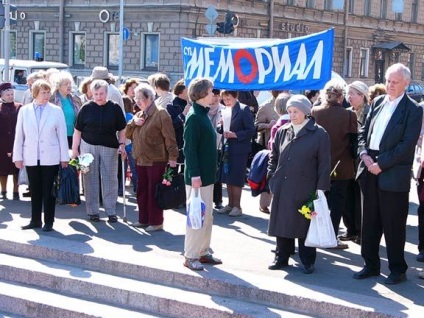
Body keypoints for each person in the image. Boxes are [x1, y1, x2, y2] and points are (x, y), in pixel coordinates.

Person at [354, 63, 423, 284]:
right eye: (387, 81)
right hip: (369, 166)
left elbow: (406, 145)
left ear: (406, 83)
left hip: (392, 172)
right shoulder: (377, 102)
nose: (390, 85)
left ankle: (397, 269)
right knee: (369, 222)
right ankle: (371, 264)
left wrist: (381, 163)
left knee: (393, 224)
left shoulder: (413, 110)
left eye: (394, 82)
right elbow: (364, 131)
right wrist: (364, 153)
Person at [267, 95, 331, 274]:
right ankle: (282, 256)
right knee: (283, 222)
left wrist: (320, 189)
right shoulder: (283, 131)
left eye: (296, 111)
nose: (292, 115)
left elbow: (324, 164)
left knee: (305, 224)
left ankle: (307, 260)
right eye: (289, 111)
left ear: (305, 111)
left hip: (306, 187)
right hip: (283, 185)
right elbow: (273, 157)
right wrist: (272, 177)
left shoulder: (319, 133)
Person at [13, 79, 69, 232]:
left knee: (48, 190)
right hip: (31, 155)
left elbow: (62, 136)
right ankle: (35, 220)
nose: (46, 95)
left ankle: (49, 221)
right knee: (35, 190)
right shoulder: (24, 110)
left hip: (50, 157)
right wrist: (17, 156)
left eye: (47, 92)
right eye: (42, 92)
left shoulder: (56, 110)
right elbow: (19, 134)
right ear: (34, 94)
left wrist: (64, 158)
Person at [72, 80, 127, 223]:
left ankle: (111, 211)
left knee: (110, 178)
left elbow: (122, 128)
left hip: (109, 146)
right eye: (95, 94)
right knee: (89, 177)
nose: (98, 97)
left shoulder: (114, 108)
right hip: (87, 145)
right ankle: (93, 211)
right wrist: (75, 150)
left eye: (101, 93)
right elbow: (77, 130)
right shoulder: (86, 108)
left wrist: (122, 144)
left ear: (106, 93)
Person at [311, 80, 358, 250]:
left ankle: (314, 234)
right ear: (341, 97)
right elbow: (354, 143)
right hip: (342, 166)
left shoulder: (315, 111)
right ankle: (331, 237)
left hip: (318, 165)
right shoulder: (349, 115)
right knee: (337, 203)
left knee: (317, 200)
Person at [125, 83, 178, 232]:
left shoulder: (161, 113)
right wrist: (133, 123)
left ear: (149, 98)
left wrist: (173, 157)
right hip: (140, 159)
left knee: (153, 191)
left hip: (156, 159)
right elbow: (127, 134)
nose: (137, 101)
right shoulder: (139, 114)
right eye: (136, 98)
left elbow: (170, 137)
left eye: (140, 98)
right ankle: (143, 219)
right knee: (142, 190)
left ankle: (156, 222)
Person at [183, 78, 222, 271]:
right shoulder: (194, 116)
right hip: (198, 178)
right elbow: (189, 149)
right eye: (210, 92)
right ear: (200, 94)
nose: (213, 95)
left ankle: (203, 251)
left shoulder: (203, 114)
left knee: (207, 217)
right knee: (196, 217)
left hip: (207, 176)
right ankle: (191, 255)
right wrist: (195, 175)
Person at [217, 90, 255, 217]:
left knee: (236, 177)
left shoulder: (244, 110)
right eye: (225, 99)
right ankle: (230, 204)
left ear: (235, 97)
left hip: (239, 149)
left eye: (229, 99)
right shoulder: (225, 110)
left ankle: (237, 206)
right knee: (228, 176)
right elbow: (222, 129)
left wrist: (236, 135)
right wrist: (221, 125)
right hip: (227, 147)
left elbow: (251, 130)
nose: (227, 102)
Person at [341, 81, 370, 244]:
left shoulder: (369, 112)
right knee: (347, 196)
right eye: (348, 93)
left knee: (360, 197)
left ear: (362, 96)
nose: (349, 96)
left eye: (352, 93)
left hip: (361, 160)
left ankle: (360, 231)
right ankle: (350, 229)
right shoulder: (346, 112)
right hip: (346, 160)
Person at [255, 90, 282, 213]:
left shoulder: (290, 103)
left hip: (286, 147)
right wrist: (267, 125)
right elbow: (256, 126)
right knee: (268, 176)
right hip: (269, 147)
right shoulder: (266, 106)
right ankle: (264, 204)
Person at [0, 83, 22, 200]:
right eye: (8, 94)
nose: (10, 96)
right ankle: (3, 191)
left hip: (16, 141)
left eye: (12, 94)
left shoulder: (19, 107)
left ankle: (16, 191)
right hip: (2, 142)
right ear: (1, 96)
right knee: (2, 168)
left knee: (16, 167)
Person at [50, 71, 82, 148]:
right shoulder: (52, 100)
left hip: (73, 136)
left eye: (70, 83)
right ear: (59, 86)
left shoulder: (75, 99)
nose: (69, 86)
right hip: (57, 136)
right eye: (66, 84)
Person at [166, 78, 191, 170]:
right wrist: (183, 114)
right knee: (172, 174)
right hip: (176, 145)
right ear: (181, 90)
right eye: (188, 89)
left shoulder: (193, 105)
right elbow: (171, 126)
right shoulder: (171, 106)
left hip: (188, 145)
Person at [208, 88, 225, 209]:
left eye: (217, 95)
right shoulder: (203, 109)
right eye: (212, 95)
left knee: (217, 173)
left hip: (219, 145)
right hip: (206, 146)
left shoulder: (224, 110)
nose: (214, 98)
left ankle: (218, 199)